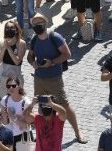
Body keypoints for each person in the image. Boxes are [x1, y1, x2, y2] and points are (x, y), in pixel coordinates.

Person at [26, 13, 87, 143]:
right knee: (42, 106)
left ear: (45, 24)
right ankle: (42, 132)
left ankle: (77, 132)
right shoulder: (34, 40)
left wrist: (52, 62)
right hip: (39, 78)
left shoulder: (55, 37)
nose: (37, 26)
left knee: (64, 105)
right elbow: (29, 56)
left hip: (54, 78)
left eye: (39, 24)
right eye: (34, 24)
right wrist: (33, 63)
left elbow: (67, 54)